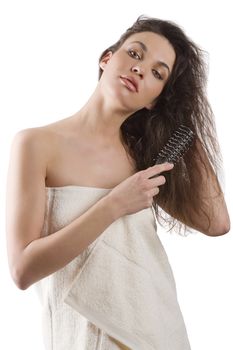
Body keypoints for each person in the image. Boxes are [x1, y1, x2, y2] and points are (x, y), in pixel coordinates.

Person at [6, 15, 230, 350]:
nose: (140, 69)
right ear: (107, 58)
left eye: (158, 73)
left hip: (158, 336)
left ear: (155, 98)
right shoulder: (37, 145)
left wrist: (183, 119)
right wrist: (114, 205)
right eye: (135, 54)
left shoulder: (144, 161)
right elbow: (23, 269)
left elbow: (217, 223)